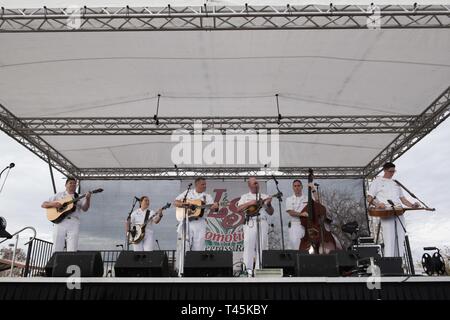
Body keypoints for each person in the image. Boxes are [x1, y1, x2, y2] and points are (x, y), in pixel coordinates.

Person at [367, 162, 420, 257]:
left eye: (394, 171)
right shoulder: (377, 181)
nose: (392, 173)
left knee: (400, 237)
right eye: (390, 171)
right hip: (386, 212)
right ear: (384, 170)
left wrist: (412, 205)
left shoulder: (396, 183)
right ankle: (390, 262)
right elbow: (369, 198)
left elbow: (403, 199)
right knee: (389, 238)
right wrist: (378, 204)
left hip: (399, 211)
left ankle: (399, 262)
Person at [41, 177, 91, 252]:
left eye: (74, 184)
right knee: (57, 246)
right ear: (66, 185)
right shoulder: (59, 195)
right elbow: (44, 204)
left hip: (74, 222)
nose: (73, 184)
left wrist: (88, 199)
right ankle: (55, 263)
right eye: (70, 183)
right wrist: (54, 204)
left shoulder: (79, 197)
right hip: (60, 222)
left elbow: (85, 209)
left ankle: (70, 263)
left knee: (72, 247)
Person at [237, 177, 274, 275]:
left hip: (262, 222)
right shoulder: (245, 196)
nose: (256, 184)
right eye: (254, 183)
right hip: (250, 222)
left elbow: (271, 212)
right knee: (249, 245)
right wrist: (250, 203)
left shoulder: (265, 196)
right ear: (249, 185)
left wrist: (268, 204)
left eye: (257, 183)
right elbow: (238, 209)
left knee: (262, 246)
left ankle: (259, 271)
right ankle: (247, 271)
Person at [175, 177, 219, 251]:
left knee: (199, 246)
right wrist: (187, 205)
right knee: (184, 245)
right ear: (196, 184)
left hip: (200, 222)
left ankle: (196, 262)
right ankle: (184, 262)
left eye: (205, 184)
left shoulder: (207, 196)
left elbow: (213, 209)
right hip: (186, 221)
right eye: (203, 184)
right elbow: (176, 202)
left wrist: (215, 207)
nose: (205, 186)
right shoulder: (188, 193)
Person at [285, 179, 318, 250]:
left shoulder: (307, 198)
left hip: (307, 225)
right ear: (293, 187)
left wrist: (313, 189)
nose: (297, 187)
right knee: (296, 246)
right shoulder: (289, 199)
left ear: (302, 187)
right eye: (295, 186)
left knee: (309, 247)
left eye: (298, 186)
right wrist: (301, 214)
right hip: (295, 225)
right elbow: (290, 212)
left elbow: (317, 201)